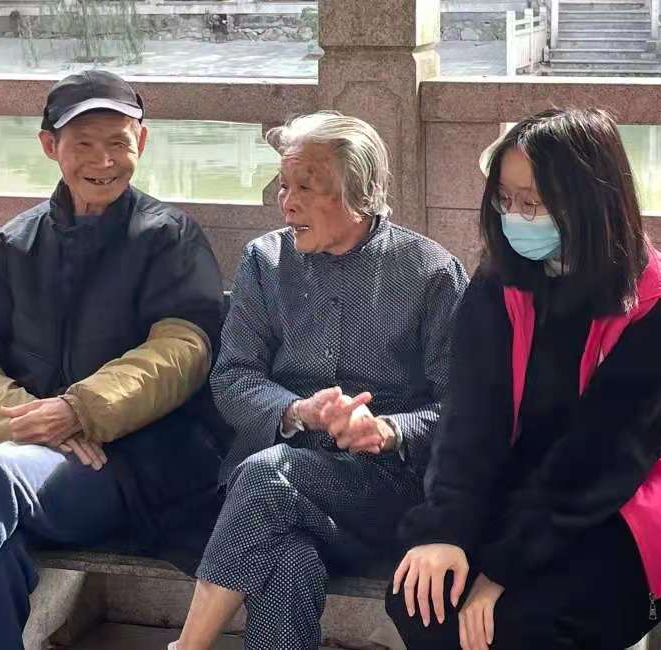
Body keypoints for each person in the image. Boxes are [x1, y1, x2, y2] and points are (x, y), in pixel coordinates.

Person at [0, 70, 227, 650]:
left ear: (142, 142)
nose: (103, 160)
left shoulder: (169, 238)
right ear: (49, 145)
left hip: (133, 469)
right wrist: (38, 423)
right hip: (24, 460)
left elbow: (183, 349)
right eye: (83, 143)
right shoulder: (13, 245)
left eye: (118, 142)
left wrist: (81, 410)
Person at [386, 107, 661, 650]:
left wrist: (501, 570)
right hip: (526, 478)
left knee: (522, 622)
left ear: (589, 200)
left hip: (631, 491)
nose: (514, 216)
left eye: (532, 203)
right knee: (421, 596)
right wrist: (444, 530)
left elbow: (601, 457)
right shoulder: (499, 282)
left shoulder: (659, 306)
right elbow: (470, 419)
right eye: (504, 199)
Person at [169, 112, 468, 650]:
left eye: (306, 187)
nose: (287, 204)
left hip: (380, 492)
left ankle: (186, 647)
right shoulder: (265, 261)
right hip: (269, 492)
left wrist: (389, 430)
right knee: (285, 562)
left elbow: (462, 408)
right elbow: (233, 377)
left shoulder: (430, 273)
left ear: (361, 191)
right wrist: (297, 412)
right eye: (284, 186)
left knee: (267, 475)